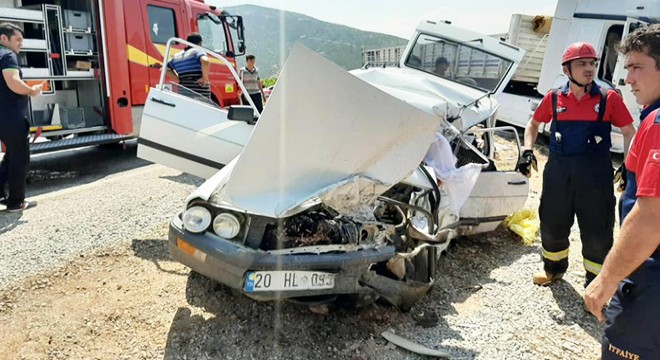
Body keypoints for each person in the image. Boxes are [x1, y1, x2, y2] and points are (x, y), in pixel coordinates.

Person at [517, 42, 636, 287]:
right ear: (567, 69)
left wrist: (628, 164)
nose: (589, 68)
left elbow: (628, 131)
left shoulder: (608, 98)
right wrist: (526, 151)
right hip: (559, 176)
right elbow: (532, 124)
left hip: (595, 179)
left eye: (592, 63)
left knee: (597, 232)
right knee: (552, 224)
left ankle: (596, 284)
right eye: (582, 63)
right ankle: (553, 270)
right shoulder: (554, 98)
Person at [584, 24, 660, 359]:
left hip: (649, 287)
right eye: (626, 68)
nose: (628, 79)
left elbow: (650, 218)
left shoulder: (658, 123)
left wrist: (607, 279)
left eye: (637, 67)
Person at [0, 23, 42, 212]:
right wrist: (31, 90)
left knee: (10, 157)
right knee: (19, 157)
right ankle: (16, 202)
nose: (20, 44)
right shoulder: (8, 56)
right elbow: (13, 82)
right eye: (17, 39)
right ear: (3, 39)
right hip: (10, 115)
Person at [166, 33, 211, 100]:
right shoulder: (197, 51)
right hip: (199, 95)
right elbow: (205, 61)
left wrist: (180, 80)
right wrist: (204, 78)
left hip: (184, 94)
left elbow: (166, 69)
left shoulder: (177, 56)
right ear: (200, 43)